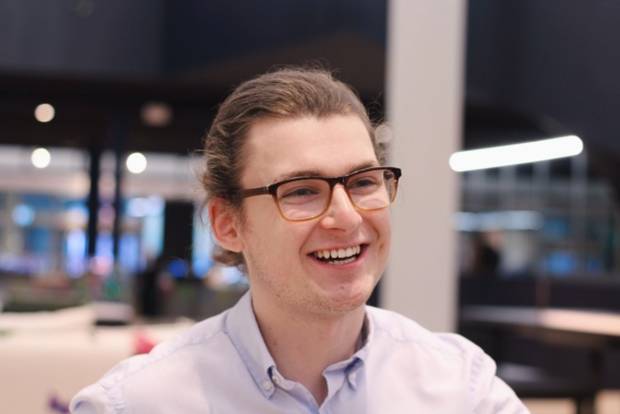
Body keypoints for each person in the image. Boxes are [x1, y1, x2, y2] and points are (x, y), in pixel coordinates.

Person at [70, 68, 529, 413]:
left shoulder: (462, 391)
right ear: (228, 224)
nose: (346, 216)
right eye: (302, 191)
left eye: (364, 182)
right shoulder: (134, 405)